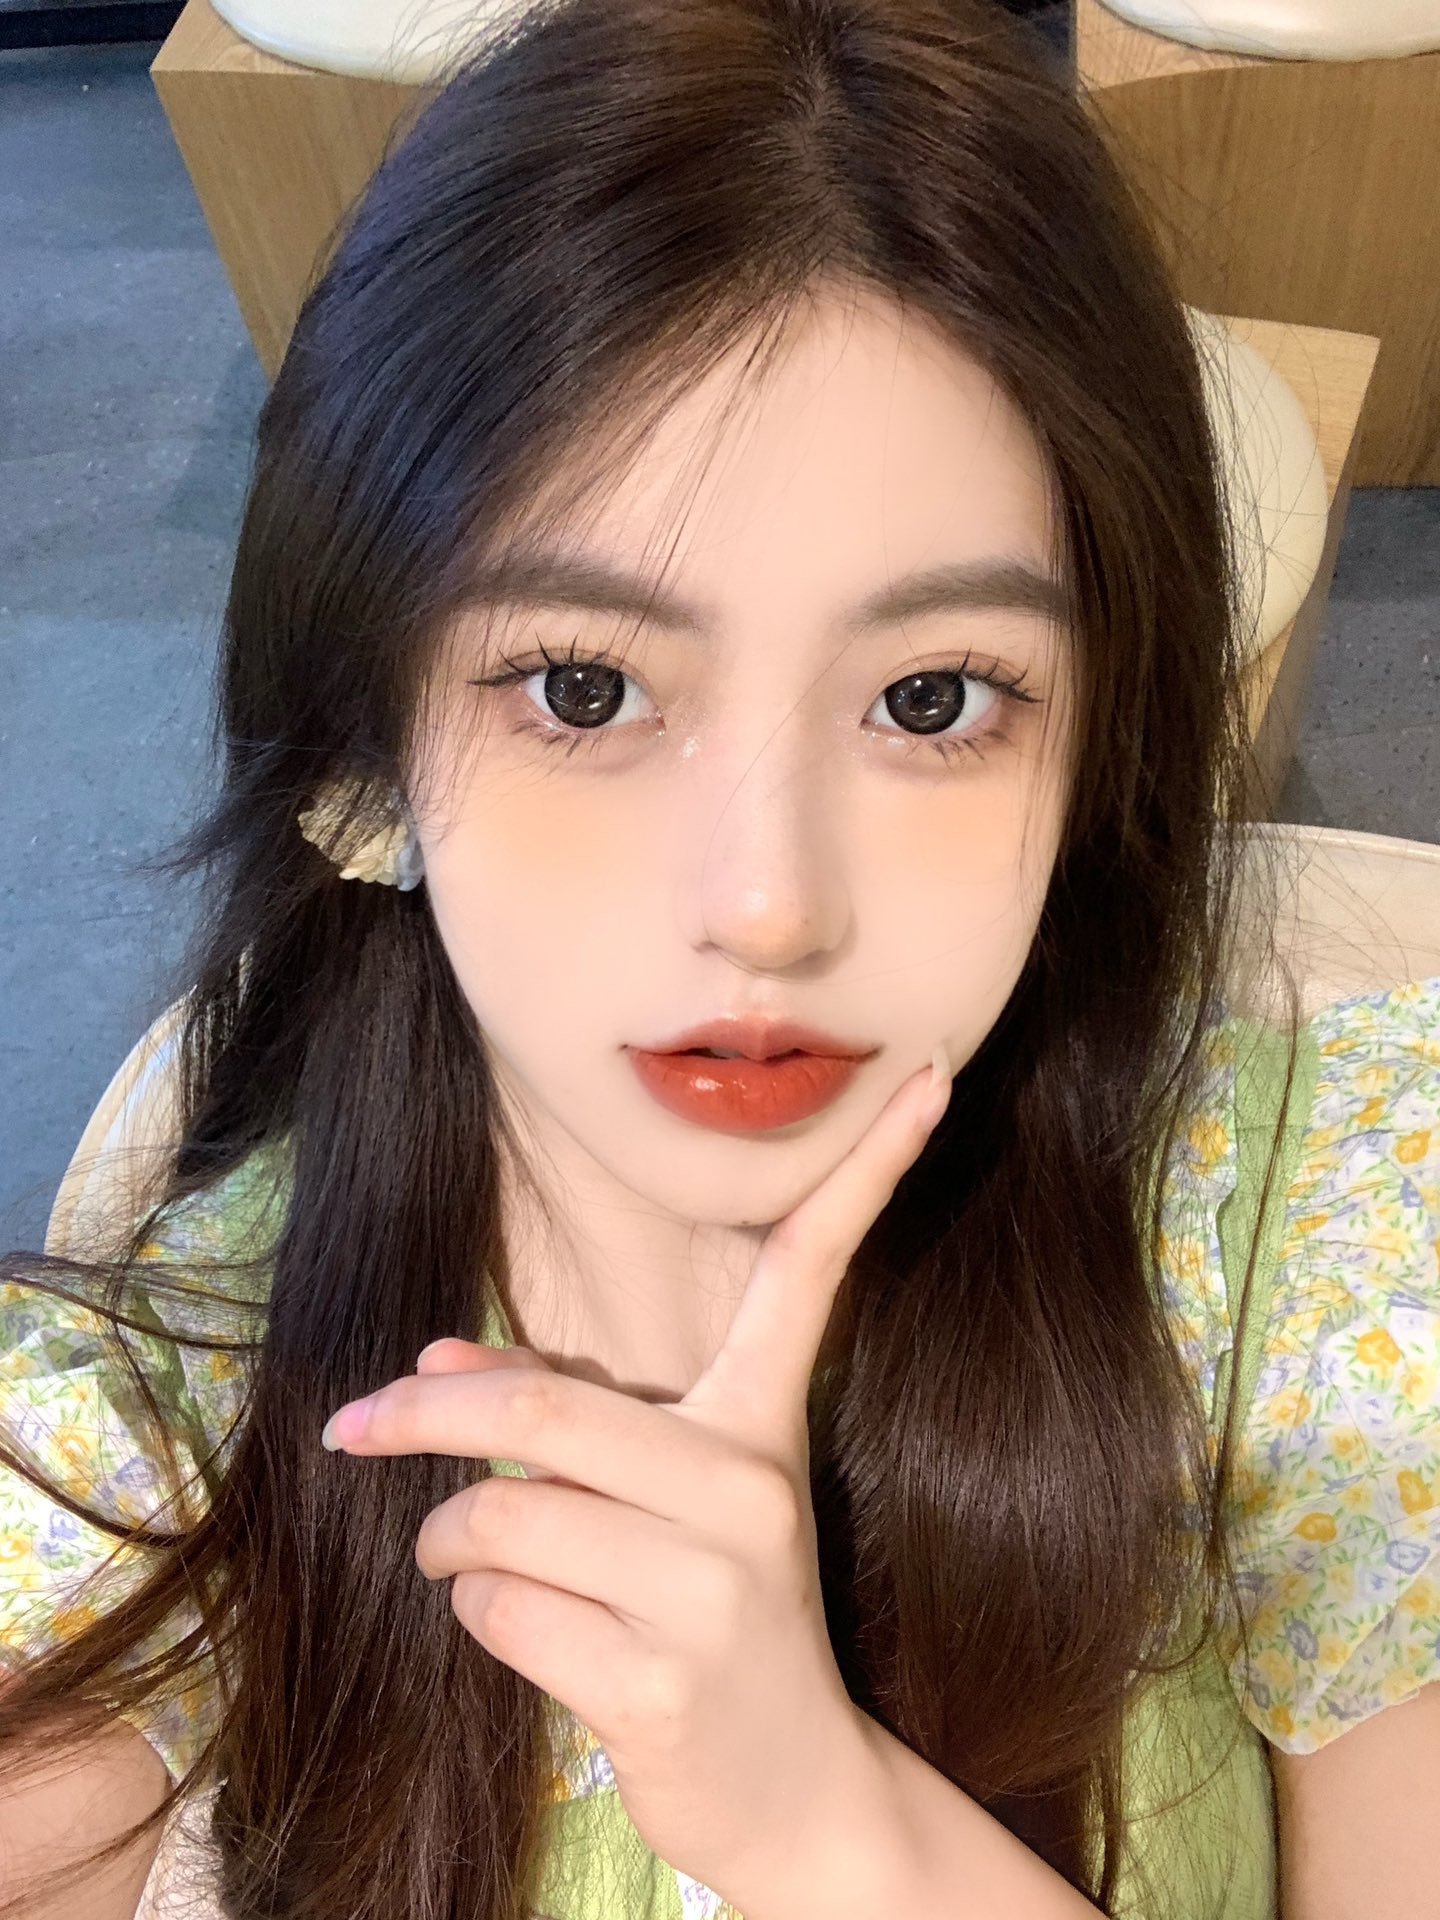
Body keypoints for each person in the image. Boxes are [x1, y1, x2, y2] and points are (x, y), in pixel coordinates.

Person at [2, 0, 1438, 1915]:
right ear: (361, 765)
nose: (769, 906)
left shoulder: (1319, 1269)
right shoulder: (165, 1411)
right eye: (585, 689)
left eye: (933, 699)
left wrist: (829, 1830)